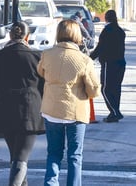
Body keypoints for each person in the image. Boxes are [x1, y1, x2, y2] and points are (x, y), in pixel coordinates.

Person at [0, 21, 45, 186]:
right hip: (30, 113)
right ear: (27, 36)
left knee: (16, 156)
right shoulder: (37, 57)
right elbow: (45, 88)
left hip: (4, 112)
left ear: (10, 35)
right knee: (20, 158)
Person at [37, 19, 100, 186]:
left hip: (51, 111)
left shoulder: (47, 54)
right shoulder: (84, 60)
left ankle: (50, 183)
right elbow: (94, 90)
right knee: (74, 156)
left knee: (53, 153)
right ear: (77, 35)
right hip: (75, 112)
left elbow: (40, 72)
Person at [90, 10, 126, 123]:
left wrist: (89, 58)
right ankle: (114, 112)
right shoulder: (120, 31)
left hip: (109, 63)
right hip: (120, 63)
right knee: (116, 88)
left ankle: (115, 112)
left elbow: (100, 47)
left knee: (105, 88)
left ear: (106, 18)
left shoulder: (107, 31)